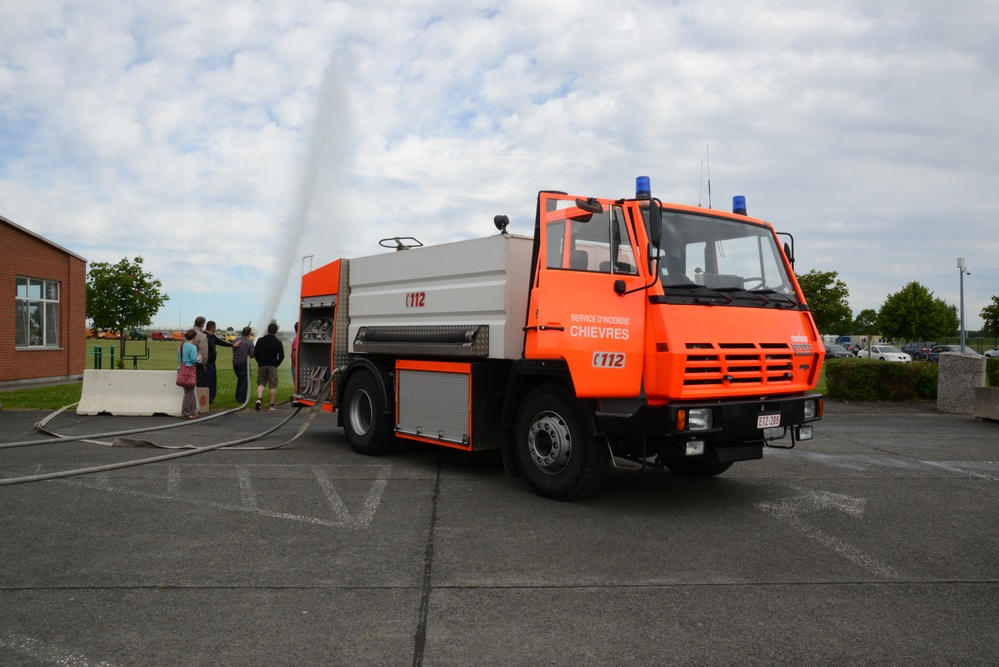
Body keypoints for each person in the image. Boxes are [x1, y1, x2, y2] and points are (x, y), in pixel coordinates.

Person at [253, 322, 285, 411]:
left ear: (268, 330)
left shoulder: (260, 340)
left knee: (261, 383)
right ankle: (271, 405)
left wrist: (259, 361)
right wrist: (276, 364)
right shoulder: (278, 342)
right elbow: (282, 356)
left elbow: (255, 353)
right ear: (276, 331)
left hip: (262, 365)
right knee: (272, 385)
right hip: (272, 366)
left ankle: (259, 399)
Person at [204, 320, 232, 403]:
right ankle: (205, 398)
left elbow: (220, 342)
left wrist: (232, 345)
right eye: (215, 327)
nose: (215, 328)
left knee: (213, 381)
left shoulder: (212, 337)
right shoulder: (205, 337)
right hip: (207, 363)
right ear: (212, 327)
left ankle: (211, 398)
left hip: (212, 363)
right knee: (207, 381)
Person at [178, 329, 200, 419]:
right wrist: (199, 357)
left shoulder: (181, 346)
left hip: (181, 369)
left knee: (190, 392)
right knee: (189, 393)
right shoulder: (192, 347)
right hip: (189, 370)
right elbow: (193, 360)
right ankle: (186, 413)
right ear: (194, 337)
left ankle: (193, 411)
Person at [231, 326, 255, 404]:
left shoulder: (236, 340)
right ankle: (241, 399)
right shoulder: (250, 342)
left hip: (235, 363)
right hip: (244, 364)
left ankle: (237, 397)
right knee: (245, 381)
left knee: (240, 380)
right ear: (249, 333)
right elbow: (252, 355)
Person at [192, 316, 209, 386]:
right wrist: (203, 364)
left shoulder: (187, 334)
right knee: (196, 386)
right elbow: (203, 353)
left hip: (185, 363)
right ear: (202, 324)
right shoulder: (202, 336)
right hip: (197, 364)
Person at [290, 322, 299, 392]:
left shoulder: (296, 339)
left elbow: (295, 353)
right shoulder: (299, 338)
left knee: (296, 384)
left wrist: (293, 365)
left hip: (295, 366)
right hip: (298, 365)